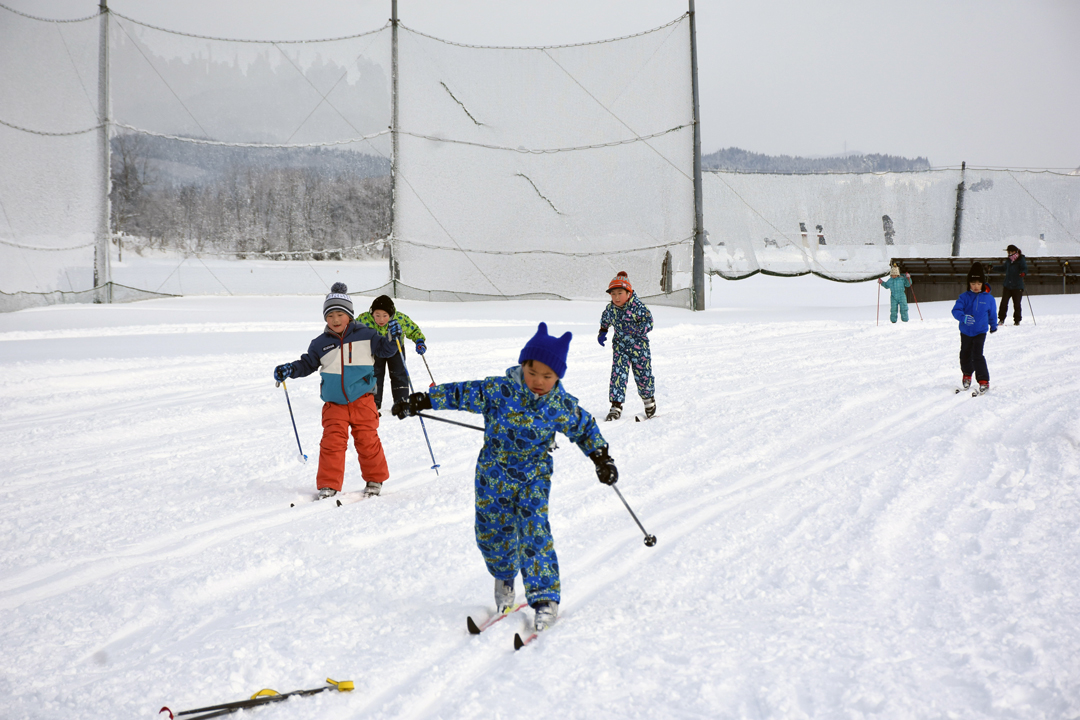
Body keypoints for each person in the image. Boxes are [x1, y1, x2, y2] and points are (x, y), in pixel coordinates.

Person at [391, 322, 617, 633]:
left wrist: (600, 457)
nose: (538, 381)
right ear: (523, 365)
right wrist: (421, 400)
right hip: (492, 474)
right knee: (489, 534)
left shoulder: (560, 406)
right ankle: (504, 574)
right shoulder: (500, 390)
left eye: (547, 376)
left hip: (533, 478)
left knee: (535, 533)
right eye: (532, 372)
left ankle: (545, 599)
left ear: (558, 376)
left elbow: (586, 427)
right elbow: (461, 392)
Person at [273, 283, 400, 499]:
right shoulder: (320, 343)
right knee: (331, 444)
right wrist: (291, 369)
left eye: (340, 313)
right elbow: (307, 364)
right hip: (334, 404)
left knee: (368, 441)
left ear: (349, 315)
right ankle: (328, 485)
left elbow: (386, 350)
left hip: (363, 400)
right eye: (330, 315)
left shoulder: (367, 335)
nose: (335, 319)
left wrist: (392, 336)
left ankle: (374, 479)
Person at [598, 271, 656, 421]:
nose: (616, 297)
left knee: (643, 374)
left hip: (639, 347)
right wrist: (603, 331)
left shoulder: (638, 307)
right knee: (618, 374)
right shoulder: (611, 309)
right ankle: (615, 406)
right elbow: (605, 319)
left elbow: (649, 322)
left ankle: (648, 399)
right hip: (620, 347)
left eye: (620, 293)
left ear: (628, 292)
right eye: (613, 294)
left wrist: (637, 330)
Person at [355, 295, 427, 414]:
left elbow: (413, 329)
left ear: (391, 315)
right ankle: (373, 402)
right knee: (374, 375)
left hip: (396, 348)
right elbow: (353, 330)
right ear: (372, 313)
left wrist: (419, 341)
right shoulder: (364, 319)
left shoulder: (400, 319)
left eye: (385, 316)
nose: (381, 320)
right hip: (376, 350)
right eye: (377, 316)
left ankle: (401, 401)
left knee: (399, 374)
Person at [950, 263, 998, 393]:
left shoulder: (989, 299)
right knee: (965, 354)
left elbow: (992, 314)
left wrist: (993, 325)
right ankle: (967, 374)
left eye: (978, 283)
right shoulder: (964, 297)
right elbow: (955, 310)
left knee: (977, 355)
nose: (975, 286)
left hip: (980, 331)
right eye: (973, 283)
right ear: (969, 284)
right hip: (966, 331)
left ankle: (983, 381)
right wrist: (963, 317)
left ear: (983, 283)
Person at [992, 244, 1027, 326]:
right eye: (1009, 252)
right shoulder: (1008, 260)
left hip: (1017, 286)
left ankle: (1017, 320)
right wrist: (993, 268)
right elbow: (1003, 268)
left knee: (1017, 304)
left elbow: (1024, 268)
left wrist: (1023, 273)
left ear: (1015, 251)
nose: (1010, 253)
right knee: (1004, 303)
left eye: (1011, 251)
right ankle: (1001, 319)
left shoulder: (1021, 259)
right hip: (1007, 285)